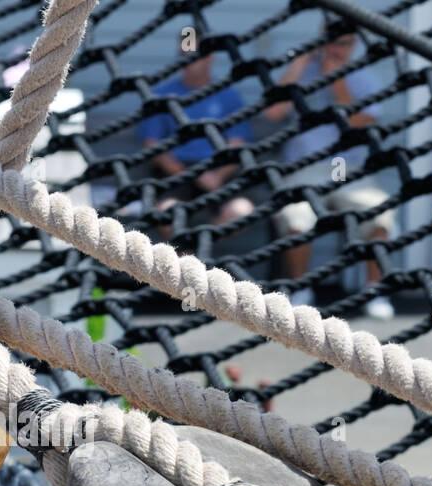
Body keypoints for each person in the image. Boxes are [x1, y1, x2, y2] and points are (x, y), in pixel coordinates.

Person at [264, 29, 396, 319]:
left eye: (344, 42)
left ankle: (374, 290)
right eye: (333, 42)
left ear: (353, 45)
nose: (338, 48)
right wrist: (299, 63)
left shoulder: (363, 76)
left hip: (347, 169)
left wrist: (336, 78)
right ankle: (301, 288)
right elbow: (272, 113)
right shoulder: (301, 73)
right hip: (305, 168)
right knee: (295, 216)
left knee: (378, 212)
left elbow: (359, 124)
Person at [136, 53, 255, 229]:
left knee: (240, 211)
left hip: (217, 172)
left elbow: (237, 142)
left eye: (196, 55)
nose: (189, 61)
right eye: (184, 54)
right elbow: (153, 146)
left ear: (210, 57)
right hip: (175, 174)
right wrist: (189, 173)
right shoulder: (162, 97)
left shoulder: (228, 96)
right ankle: (190, 254)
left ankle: (198, 251)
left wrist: (217, 175)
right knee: (166, 213)